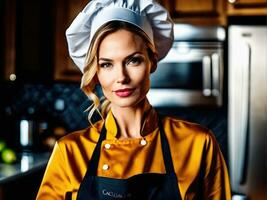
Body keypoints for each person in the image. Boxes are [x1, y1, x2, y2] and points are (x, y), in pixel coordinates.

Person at [36, 0, 231, 199]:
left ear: (152, 62)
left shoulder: (197, 144)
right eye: (106, 65)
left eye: (133, 60)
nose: (121, 77)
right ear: (96, 73)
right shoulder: (70, 152)